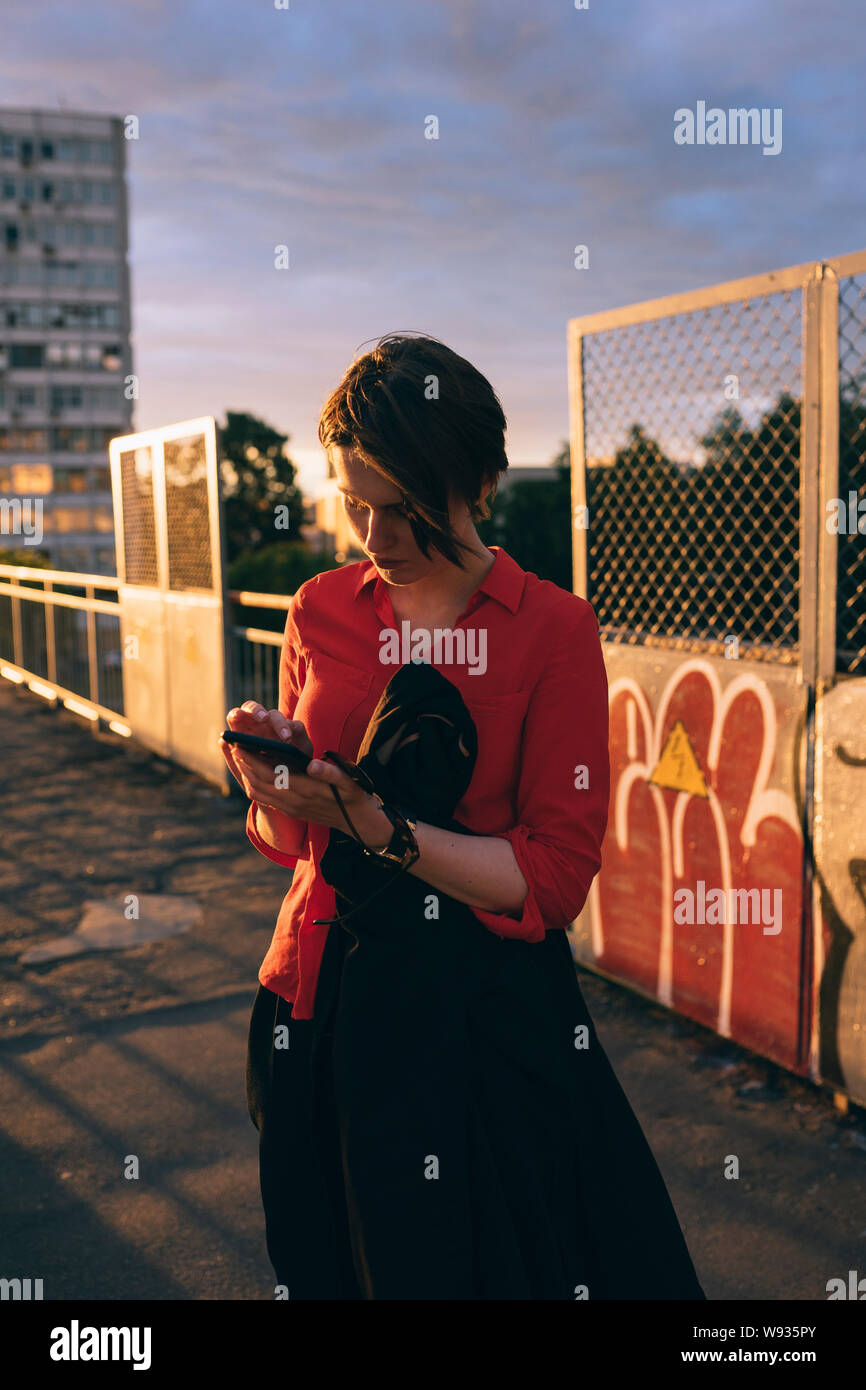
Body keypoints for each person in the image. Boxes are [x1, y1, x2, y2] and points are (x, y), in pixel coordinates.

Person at [220, 331, 705, 1300]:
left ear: (478, 480)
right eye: (352, 502)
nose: (373, 534)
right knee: (324, 1262)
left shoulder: (554, 630)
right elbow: (288, 848)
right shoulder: (319, 608)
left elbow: (555, 876)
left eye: (402, 507)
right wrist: (271, 784)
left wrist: (383, 830)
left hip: (474, 1024)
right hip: (314, 998)